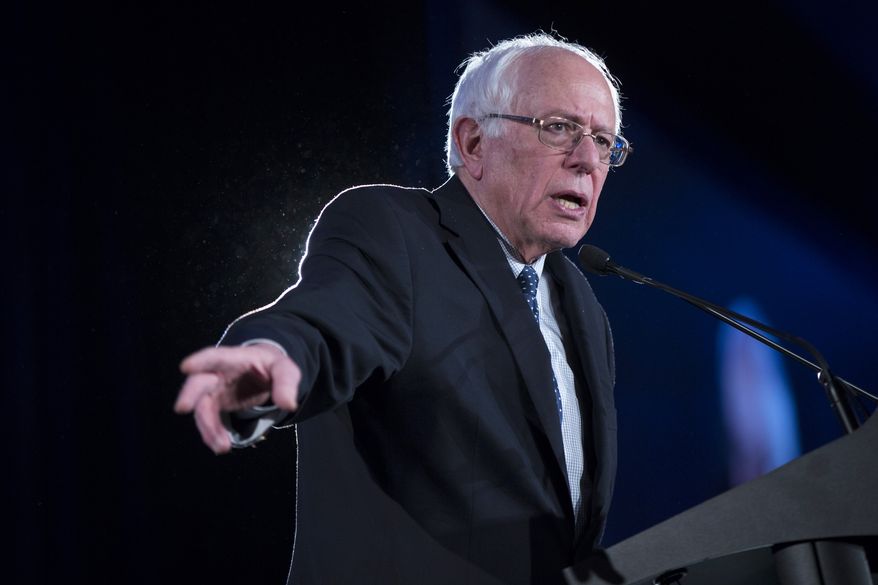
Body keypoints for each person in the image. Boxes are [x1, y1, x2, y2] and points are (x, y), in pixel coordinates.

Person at [175, 32, 632, 585]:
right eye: (559, 128)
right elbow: (327, 320)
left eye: (605, 141)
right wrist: (271, 357)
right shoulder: (395, 231)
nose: (587, 160)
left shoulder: (582, 306)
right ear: (473, 142)